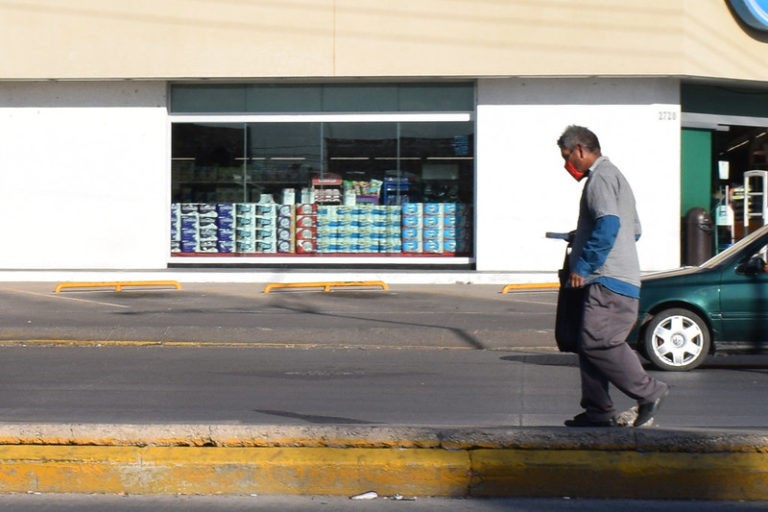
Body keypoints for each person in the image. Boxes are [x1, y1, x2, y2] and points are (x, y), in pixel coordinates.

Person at [556, 125, 669, 428]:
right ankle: (598, 411)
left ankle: (649, 392)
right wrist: (581, 235)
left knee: (598, 342)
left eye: (567, 156)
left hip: (607, 279)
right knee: (587, 342)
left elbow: (609, 226)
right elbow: (634, 230)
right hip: (618, 276)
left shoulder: (600, 179)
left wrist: (584, 266)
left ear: (580, 150)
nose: (567, 164)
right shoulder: (617, 177)